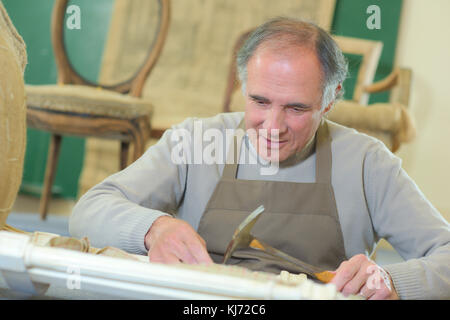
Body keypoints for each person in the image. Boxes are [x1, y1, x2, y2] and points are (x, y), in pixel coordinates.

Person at [70, 17, 450, 300]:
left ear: (330, 100)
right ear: (243, 87)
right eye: (260, 101)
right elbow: (89, 210)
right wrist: (153, 229)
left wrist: (392, 281)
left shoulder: (368, 163)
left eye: (297, 108)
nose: (273, 125)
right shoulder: (197, 140)